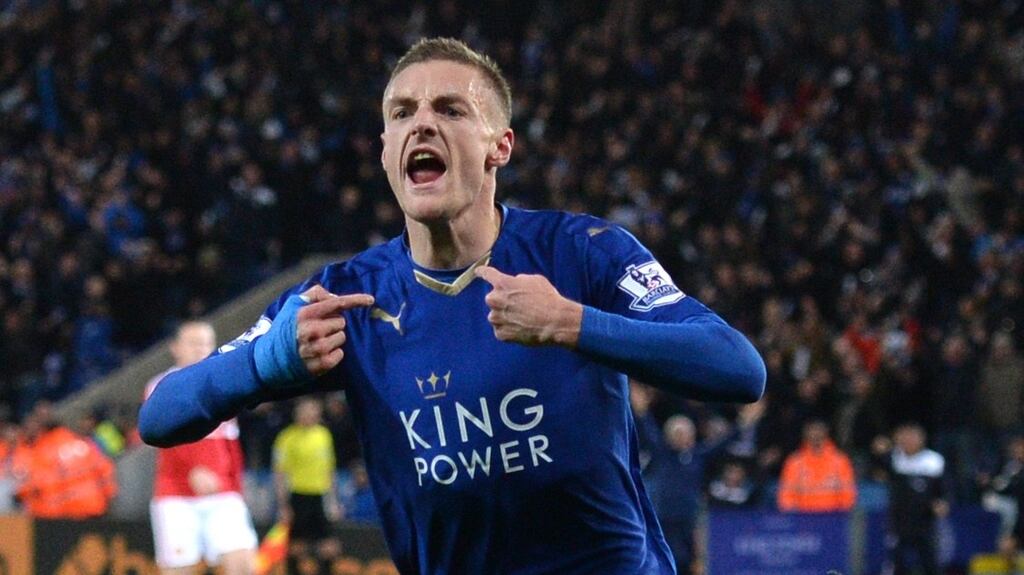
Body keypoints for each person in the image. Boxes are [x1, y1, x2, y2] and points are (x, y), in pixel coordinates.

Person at [140, 37, 766, 574]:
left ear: (501, 146)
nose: (421, 124)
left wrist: (569, 322)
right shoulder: (347, 297)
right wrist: (265, 361)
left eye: (450, 108)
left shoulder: (581, 252)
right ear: (385, 149)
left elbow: (738, 367)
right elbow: (162, 413)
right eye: (401, 112)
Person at [145, 321, 256, 575]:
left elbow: (230, 441)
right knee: (179, 569)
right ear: (175, 347)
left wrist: (237, 487)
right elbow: (164, 434)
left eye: (206, 343)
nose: (201, 349)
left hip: (222, 491)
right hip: (177, 494)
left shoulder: (224, 384)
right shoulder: (161, 386)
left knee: (243, 564)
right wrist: (193, 468)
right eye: (194, 343)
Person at [272, 397, 341, 570]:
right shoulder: (286, 437)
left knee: (329, 547)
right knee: (297, 546)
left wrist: (333, 500)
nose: (310, 415)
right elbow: (279, 474)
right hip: (298, 495)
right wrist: (283, 505)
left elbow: (329, 469)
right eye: (306, 411)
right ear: (297, 414)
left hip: (320, 495)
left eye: (314, 411)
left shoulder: (324, 435)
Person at [874, 423, 949, 575]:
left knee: (930, 562)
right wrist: (879, 452)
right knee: (897, 562)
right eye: (905, 437)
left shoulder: (933, 461)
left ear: (922, 439)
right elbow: (878, 469)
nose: (908, 441)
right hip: (899, 521)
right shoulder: (894, 458)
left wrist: (942, 502)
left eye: (913, 437)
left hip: (925, 521)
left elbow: (944, 489)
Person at [777, 419, 857, 513]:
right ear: (805, 434)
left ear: (826, 432)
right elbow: (785, 497)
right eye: (812, 430)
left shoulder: (840, 461)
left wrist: (839, 515)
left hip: (833, 517)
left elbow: (849, 496)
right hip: (802, 518)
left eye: (819, 430)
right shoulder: (794, 462)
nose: (816, 434)